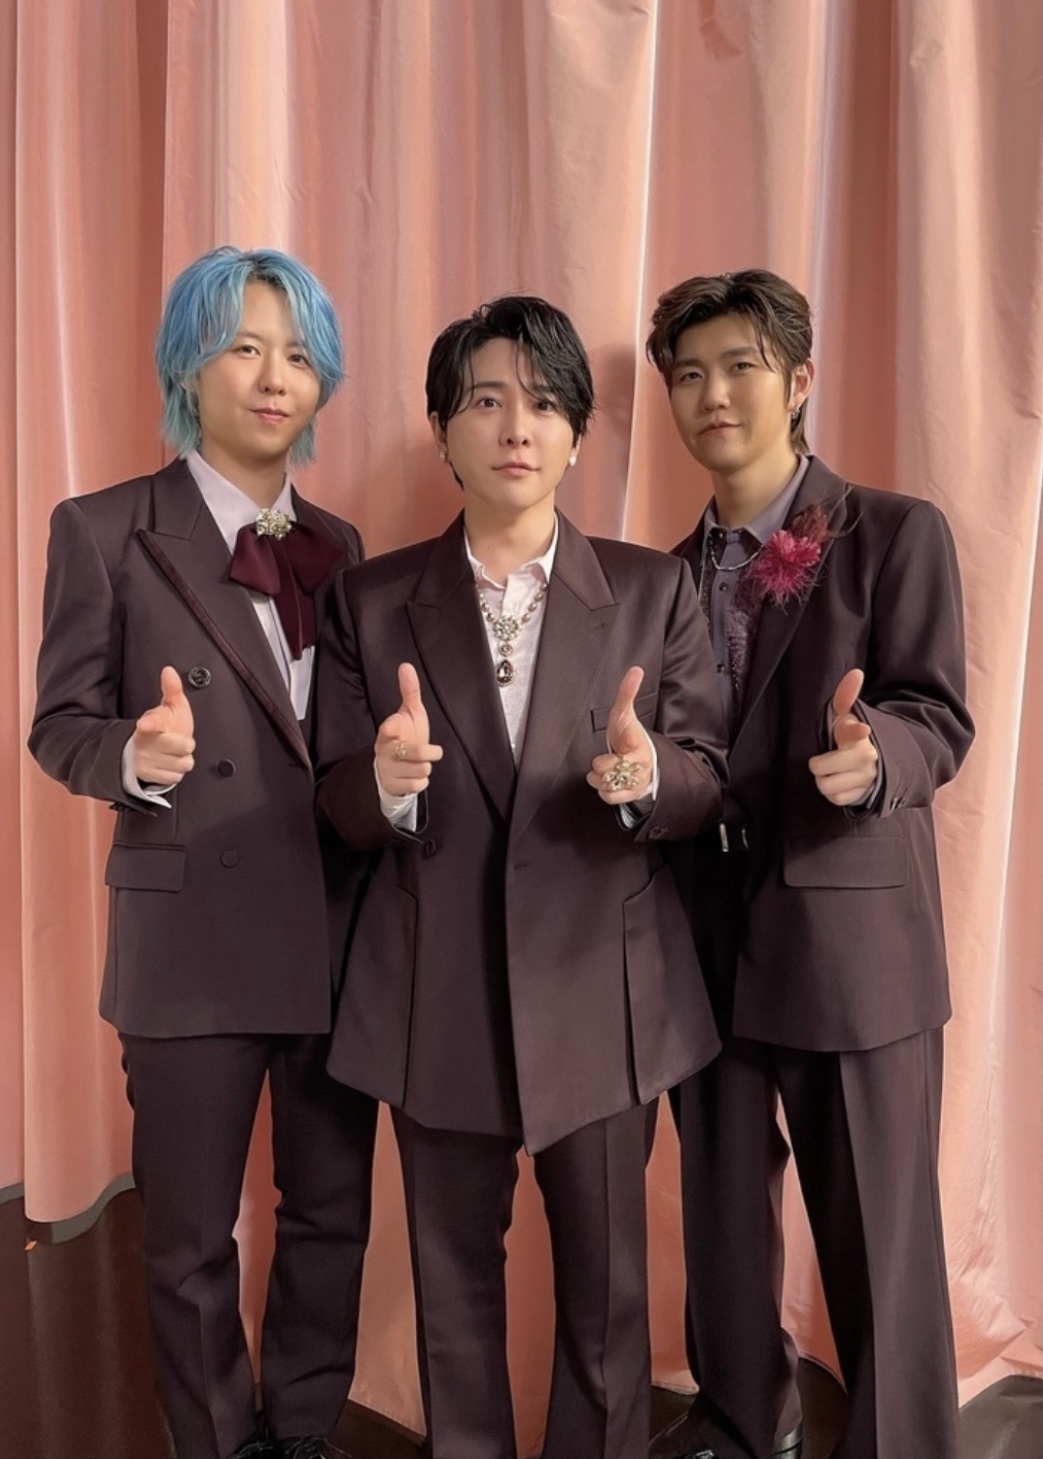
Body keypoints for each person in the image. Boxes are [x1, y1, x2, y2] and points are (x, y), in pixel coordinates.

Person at [312, 295, 728, 1459]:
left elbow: (706, 775)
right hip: (430, 996)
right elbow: (331, 800)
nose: (515, 427)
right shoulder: (368, 600)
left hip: (605, 999)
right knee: (452, 1300)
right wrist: (384, 782)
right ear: (442, 428)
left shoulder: (652, 592)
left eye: (543, 404)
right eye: (486, 401)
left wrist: (648, 779)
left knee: (607, 1306)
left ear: (577, 436)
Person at [29, 246, 377, 1459]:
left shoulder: (341, 542)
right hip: (187, 939)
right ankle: (218, 1443)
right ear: (188, 365)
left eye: (298, 355)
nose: (275, 377)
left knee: (330, 1215)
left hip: (334, 929)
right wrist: (132, 752)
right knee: (185, 1237)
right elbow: (57, 724)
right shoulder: (105, 528)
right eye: (243, 347)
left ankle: (305, 1431)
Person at [643, 269, 975, 1459]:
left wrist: (875, 754)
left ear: (796, 380)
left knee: (877, 1230)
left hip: (850, 943)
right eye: (688, 374)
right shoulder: (657, 576)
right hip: (701, 936)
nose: (711, 394)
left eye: (737, 366)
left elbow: (934, 712)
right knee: (721, 1218)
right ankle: (742, 1422)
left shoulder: (890, 532)